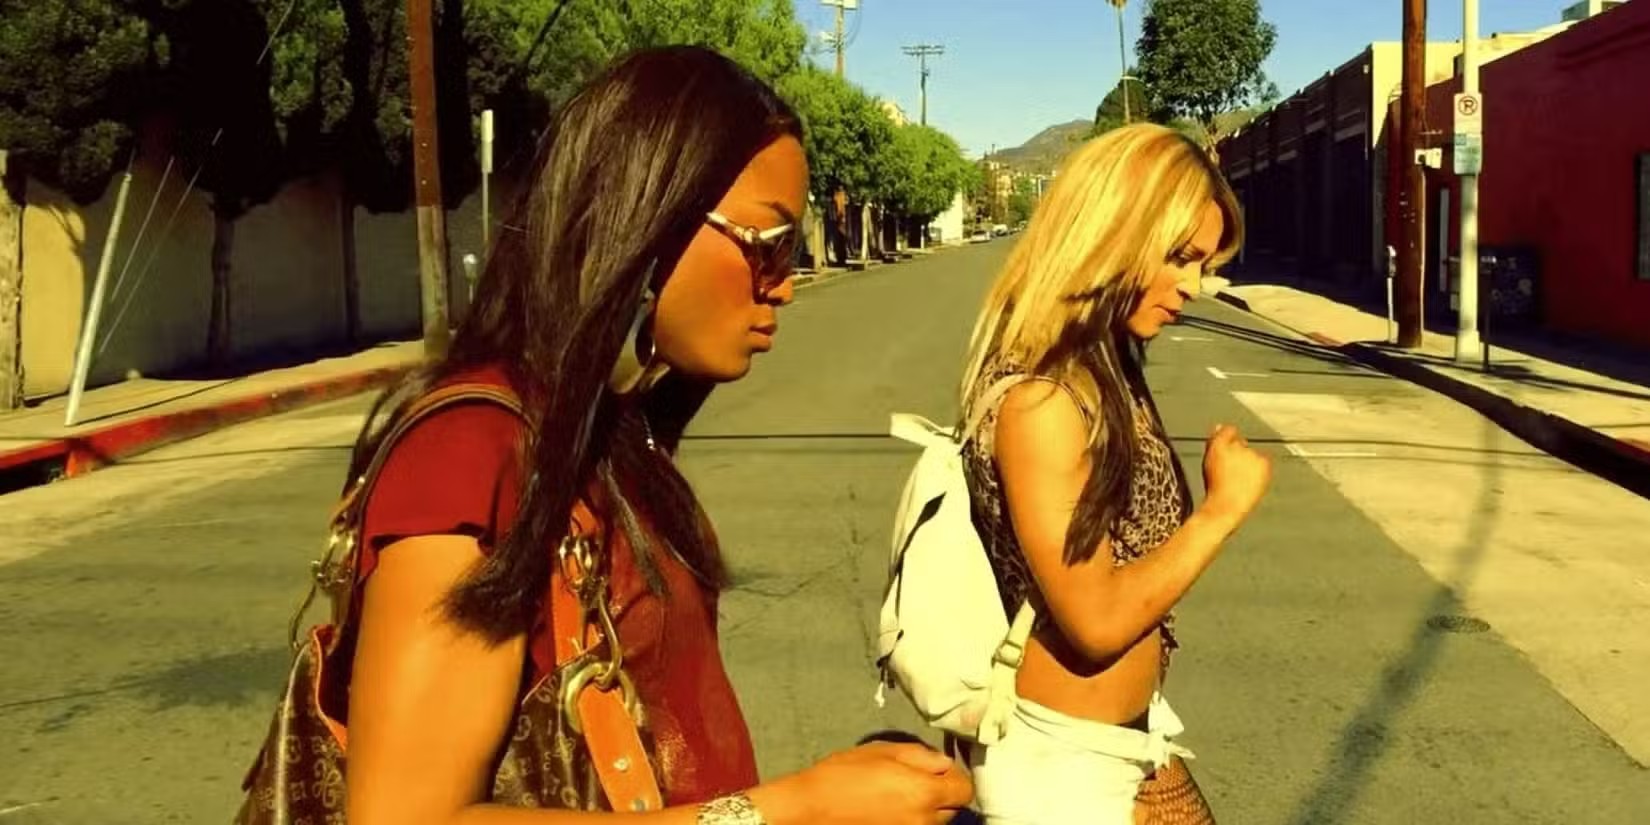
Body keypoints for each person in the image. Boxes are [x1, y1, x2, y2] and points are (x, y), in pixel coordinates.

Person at [342, 46, 971, 825]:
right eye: (768, 244)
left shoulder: (611, 429)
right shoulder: (469, 451)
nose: (784, 283)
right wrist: (795, 810)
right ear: (644, 221)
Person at [954, 123, 1273, 823]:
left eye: (1203, 262)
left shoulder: (1103, 368)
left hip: (1124, 739)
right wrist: (1221, 511)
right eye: (1180, 257)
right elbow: (1095, 620)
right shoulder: (1044, 400)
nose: (1194, 285)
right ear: (1112, 235)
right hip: (1062, 769)